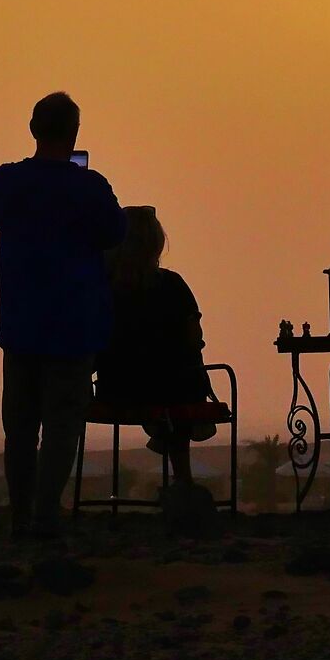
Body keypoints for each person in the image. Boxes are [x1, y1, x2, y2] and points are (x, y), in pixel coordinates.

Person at [0, 92, 125, 541]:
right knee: (61, 427)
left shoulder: (11, 183)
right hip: (74, 329)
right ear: (74, 133)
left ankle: (21, 516)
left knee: (19, 429)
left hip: (21, 326)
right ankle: (44, 516)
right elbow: (116, 231)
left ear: (33, 130)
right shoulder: (89, 188)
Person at [96, 205, 218, 498]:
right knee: (180, 380)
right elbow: (194, 338)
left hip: (117, 390)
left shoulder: (103, 290)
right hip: (173, 389)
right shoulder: (172, 285)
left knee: (170, 384)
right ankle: (183, 478)